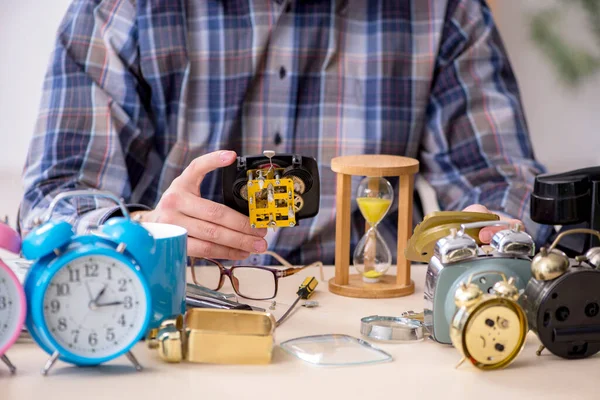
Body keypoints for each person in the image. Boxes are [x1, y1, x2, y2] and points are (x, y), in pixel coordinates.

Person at [18, 0, 553, 267]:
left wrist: (491, 231)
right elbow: (53, 195)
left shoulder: (444, 11)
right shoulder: (121, 9)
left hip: (376, 318)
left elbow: (500, 179)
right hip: (183, 305)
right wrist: (145, 228)